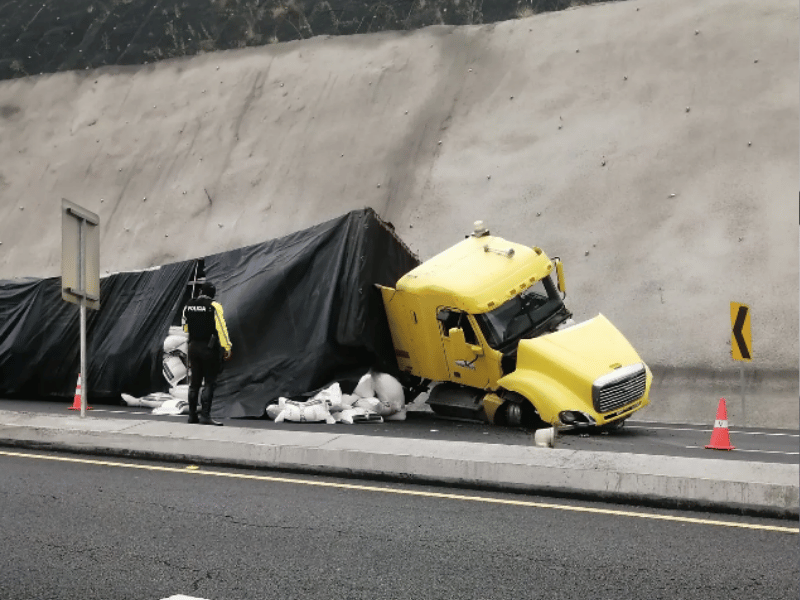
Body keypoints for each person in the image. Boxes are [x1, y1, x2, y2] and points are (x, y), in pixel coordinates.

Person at [181, 281, 232, 425]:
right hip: (209, 349)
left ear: (200, 291)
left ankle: (192, 416)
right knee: (209, 382)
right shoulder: (214, 306)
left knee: (194, 383)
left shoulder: (188, 305)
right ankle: (205, 416)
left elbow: (185, 328)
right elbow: (222, 329)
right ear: (212, 294)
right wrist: (227, 347)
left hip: (192, 347)